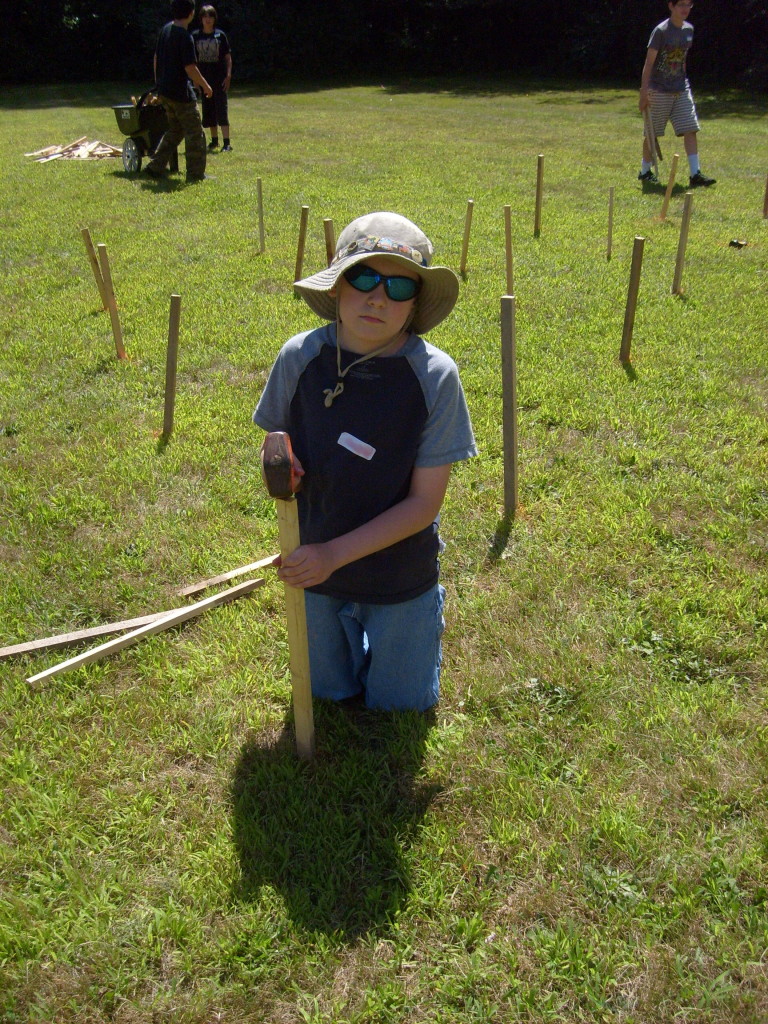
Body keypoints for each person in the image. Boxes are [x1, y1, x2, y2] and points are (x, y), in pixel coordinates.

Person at [253, 212, 477, 713]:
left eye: (398, 285)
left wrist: (335, 553)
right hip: (315, 565)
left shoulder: (434, 376)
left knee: (398, 706)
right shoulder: (299, 357)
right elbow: (278, 438)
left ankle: (406, 632)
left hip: (397, 572)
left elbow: (423, 505)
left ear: (415, 303)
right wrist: (279, 460)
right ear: (337, 287)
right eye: (363, 278)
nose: (378, 297)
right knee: (327, 693)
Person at [638, 0, 716, 188]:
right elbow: (649, 63)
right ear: (671, 6)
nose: (685, 9)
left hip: (681, 88)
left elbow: (683, 60)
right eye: (681, 4)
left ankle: (695, 174)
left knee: (690, 128)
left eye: (689, 4)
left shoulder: (689, 30)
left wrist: (683, 80)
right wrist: (644, 92)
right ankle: (645, 171)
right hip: (658, 89)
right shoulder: (661, 31)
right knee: (652, 132)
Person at [144, 0, 213, 183]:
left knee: (175, 130)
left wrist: (159, 83)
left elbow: (156, 58)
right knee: (195, 134)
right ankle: (195, 175)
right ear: (191, 13)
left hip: (165, 91)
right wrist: (206, 86)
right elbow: (190, 68)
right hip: (181, 95)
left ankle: (155, 166)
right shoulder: (184, 36)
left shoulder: (166, 30)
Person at [191, 5, 233, 152]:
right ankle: (214, 141)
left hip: (219, 79)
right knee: (209, 111)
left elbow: (228, 57)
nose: (208, 19)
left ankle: (227, 143)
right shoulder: (195, 36)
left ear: (214, 19)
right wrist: (196, 80)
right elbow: (192, 60)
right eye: (205, 16)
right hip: (204, 79)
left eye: (211, 16)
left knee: (222, 109)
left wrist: (228, 76)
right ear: (201, 19)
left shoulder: (220, 36)